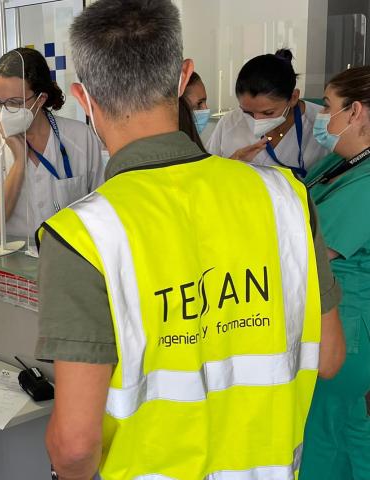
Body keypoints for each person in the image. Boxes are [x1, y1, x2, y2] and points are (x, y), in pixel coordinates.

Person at [37, 1, 345, 478]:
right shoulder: (285, 197)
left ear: (82, 96)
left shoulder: (82, 236)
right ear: (184, 78)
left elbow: (76, 446)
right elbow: (328, 358)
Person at [300, 66, 370, 479]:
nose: (321, 117)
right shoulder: (338, 164)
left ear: (355, 111)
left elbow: (312, 249)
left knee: (328, 438)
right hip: (328, 320)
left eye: (327, 107)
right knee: (337, 430)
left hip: (348, 330)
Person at [0, 47, 105, 240]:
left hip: (72, 257)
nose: (3, 111)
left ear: (40, 99)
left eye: (14, 102)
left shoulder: (80, 136)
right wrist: (18, 164)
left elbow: (101, 208)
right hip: (14, 264)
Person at [206, 50, 329, 176]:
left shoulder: (322, 126)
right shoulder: (229, 123)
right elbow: (206, 176)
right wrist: (230, 164)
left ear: (293, 98)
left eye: (268, 113)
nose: (256, 120)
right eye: (247, 112)